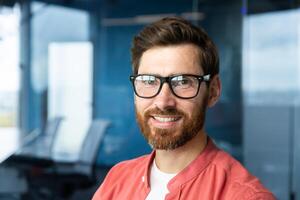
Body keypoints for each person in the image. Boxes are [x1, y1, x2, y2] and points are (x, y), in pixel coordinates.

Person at [92, 17, 275, 200]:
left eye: (182, 82)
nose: (163, 102)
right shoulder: (117, 179)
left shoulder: (245, 196)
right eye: (149, 81)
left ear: (213, 92)